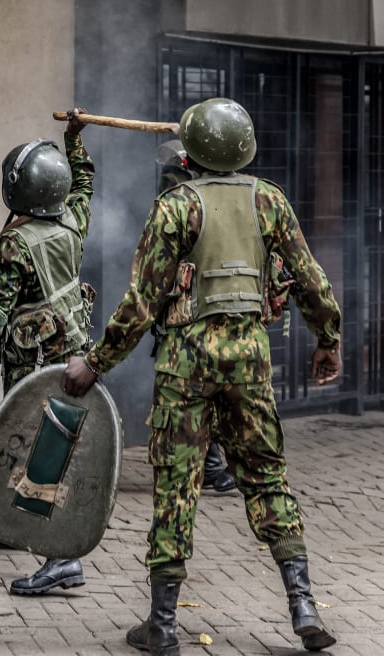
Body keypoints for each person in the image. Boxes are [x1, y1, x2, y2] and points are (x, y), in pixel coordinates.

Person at [62, 98, 341, 654]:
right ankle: (303, 604)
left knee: (177, 487)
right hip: (251, 359)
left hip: (187, 362)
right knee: (266, 478)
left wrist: (94, 364)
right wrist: (327, 338)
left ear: (189, 154)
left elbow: (141, 304)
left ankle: (162, 627)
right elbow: (309, 278)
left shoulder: (175, 206)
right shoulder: (270, 201)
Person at [0, 109, 95, 595]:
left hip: (30, 363)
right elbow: (84, 184)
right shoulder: (73, 222)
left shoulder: (15, 243)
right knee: (45, 443)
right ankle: (10, 527)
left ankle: (60, 557)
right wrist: (75, 140)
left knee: (34, 448)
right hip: (73, 355)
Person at [156, 139, 236, 495]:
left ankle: (213, 467)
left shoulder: (187, 200)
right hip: (193, 309)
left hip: (193, 314)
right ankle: (215, 467)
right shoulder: (193, 199)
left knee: (194, 395)